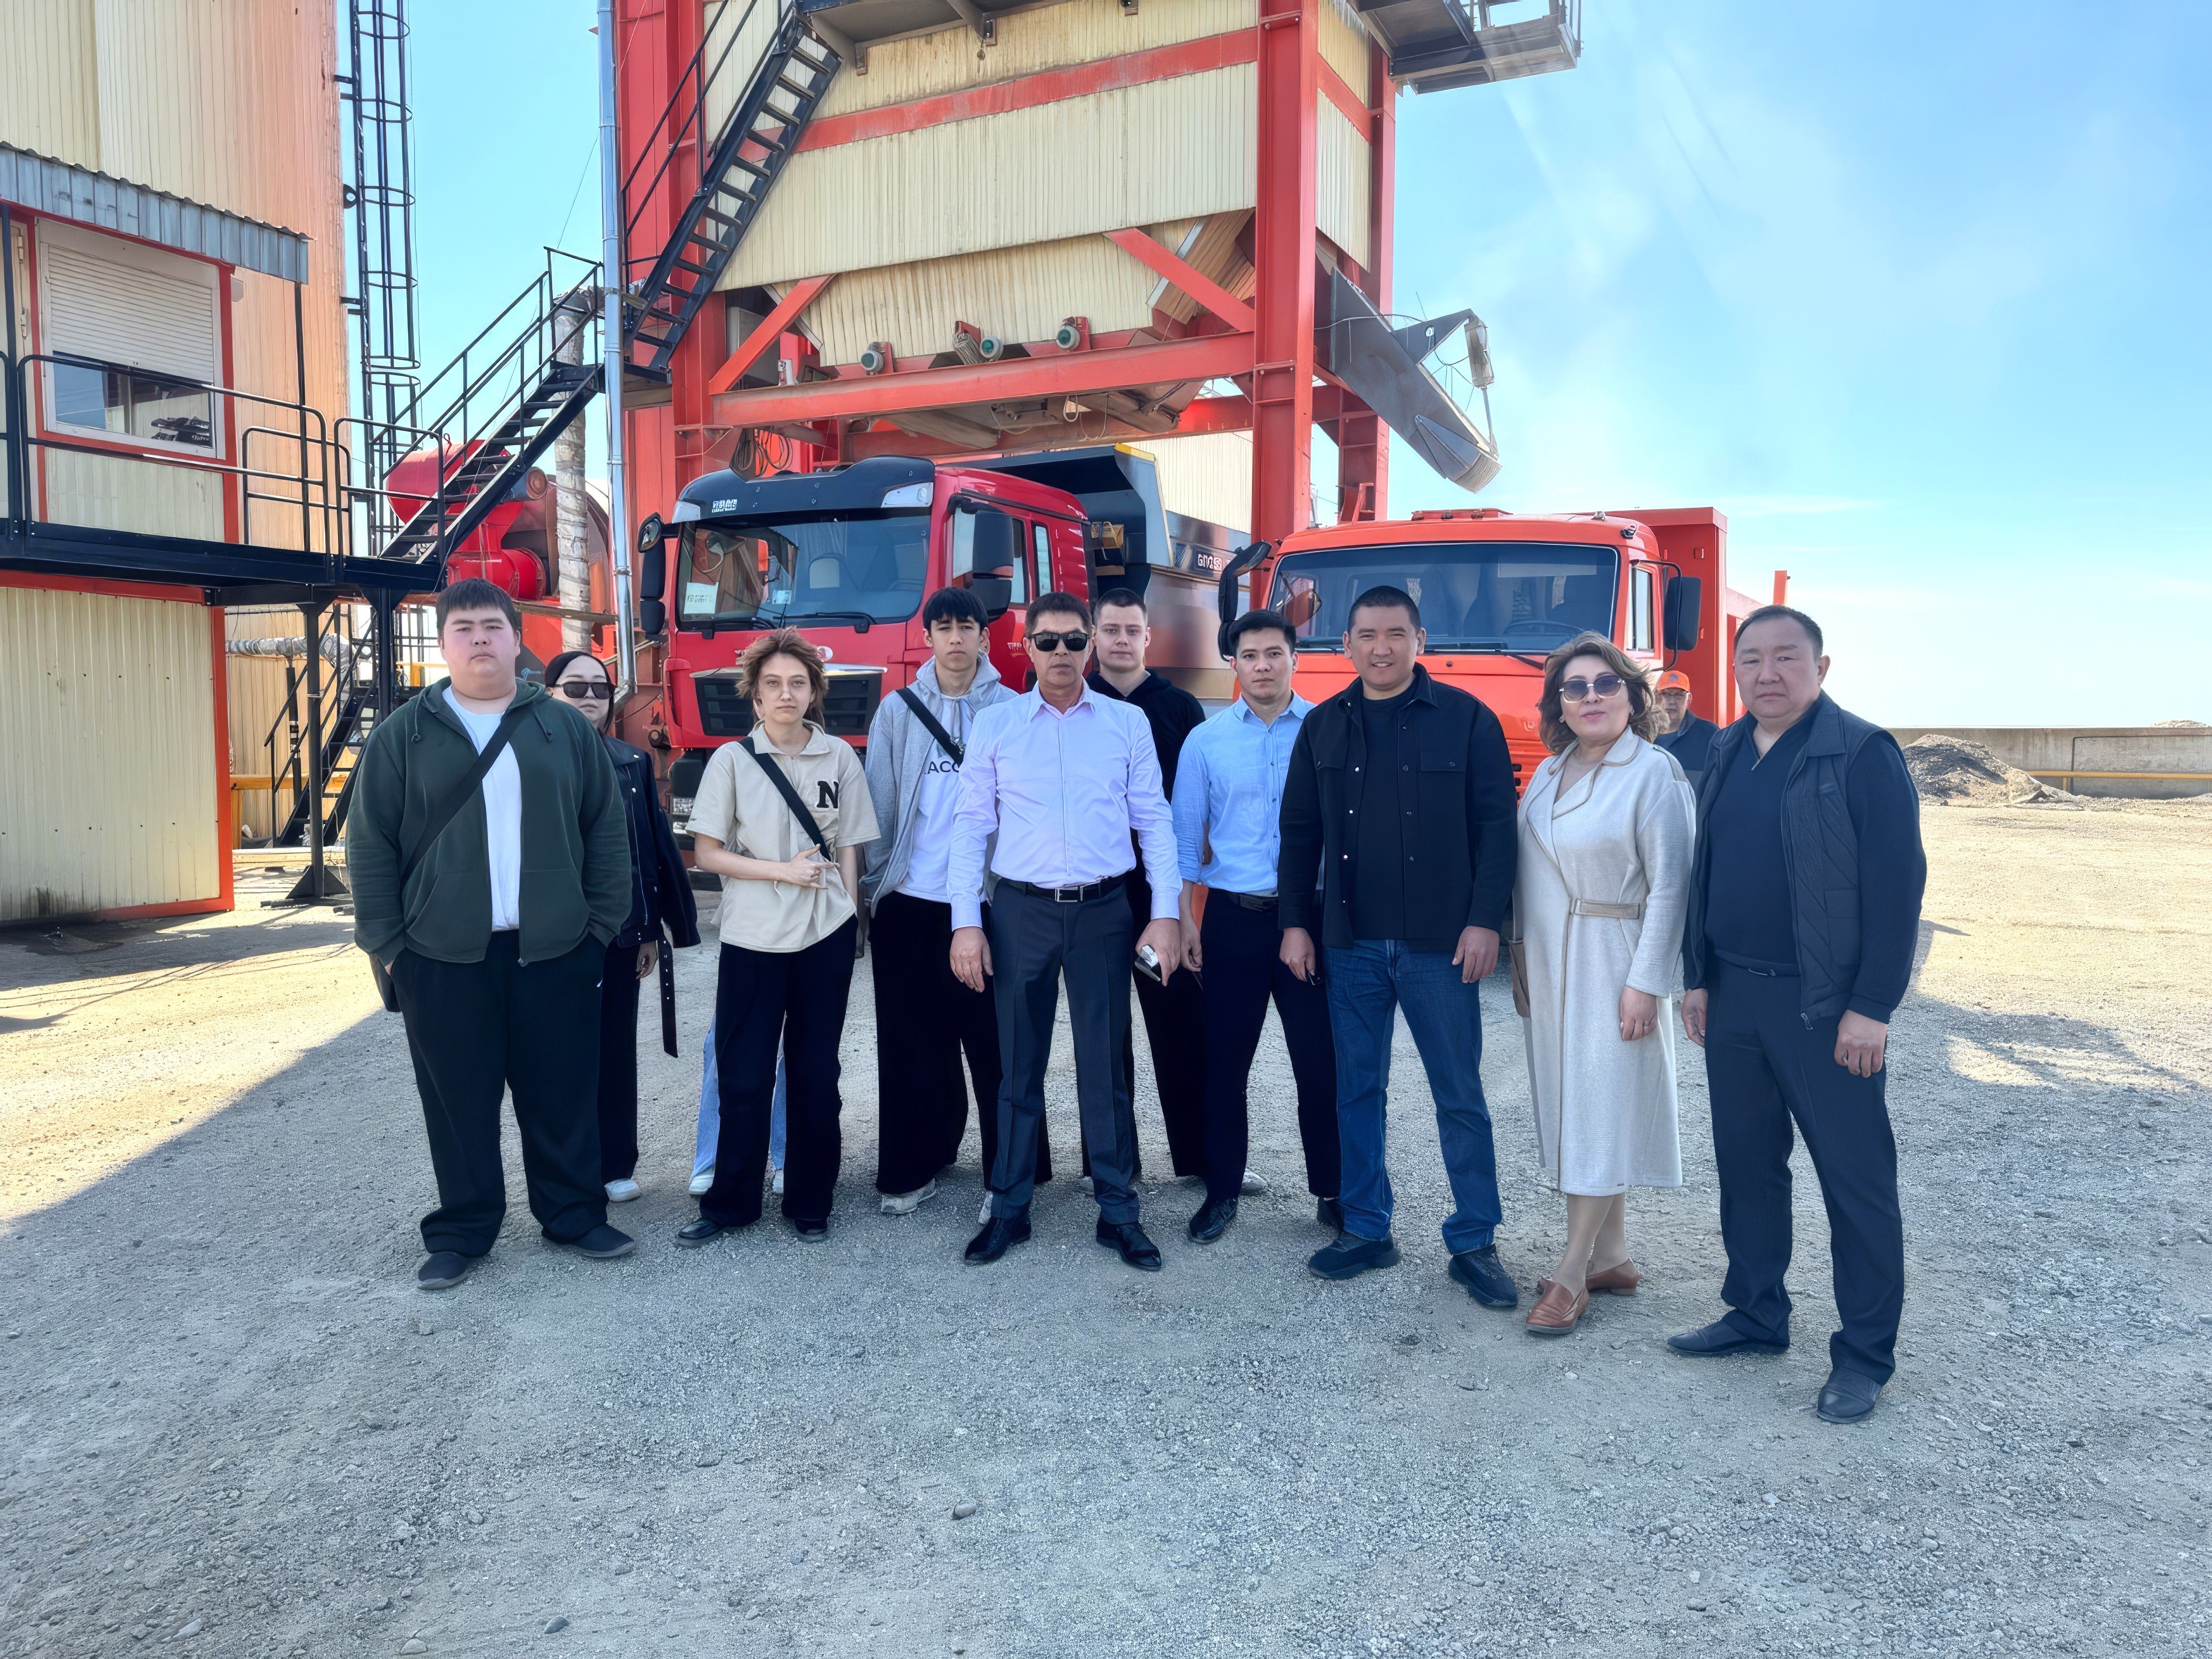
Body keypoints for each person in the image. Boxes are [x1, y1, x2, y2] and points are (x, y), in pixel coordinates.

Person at [1671, 605, 1927, 1425]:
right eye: (1751, 659)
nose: (1767, 673)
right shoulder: (1725, 748)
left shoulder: (1861, 753)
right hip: (1733, 996)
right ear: (1734, 670)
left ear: (1821, 667)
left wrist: (1871, 1006)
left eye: (1786, 657)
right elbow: (1705, 871)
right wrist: (1698, 975)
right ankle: (1755, 1311)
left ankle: (1863, 1357)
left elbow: (1897, 889)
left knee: (1854, 1182)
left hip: (1823, 1007)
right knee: (1747, 1166)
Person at [348, 578, 636, 1289]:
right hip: (440, 954)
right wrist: (390, 946)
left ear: (516, 640)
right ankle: (463, 1228)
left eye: (492, 626)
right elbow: (370, 844)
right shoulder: (403, 735)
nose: (479, 638)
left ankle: (573, 1213)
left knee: (562, 1092)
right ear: (443, 644)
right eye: (463, 628)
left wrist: (599, 929)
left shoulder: (563, 727)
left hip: (557, 949)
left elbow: (605, 830)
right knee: (457, 1101)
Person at [1277, 585, 1520, 1305]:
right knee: (1356, 1089)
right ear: (1346, 645)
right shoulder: (1322, 725)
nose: (1380, 647)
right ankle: (1365, 1227)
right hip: (1350, 943)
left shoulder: (1468, 720)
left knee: (1459, 1094)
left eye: (1394, 634)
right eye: (1366, 635)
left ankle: (1473, 1241)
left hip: (1441, 948)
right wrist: (1295, 923)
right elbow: (1298, 834)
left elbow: (1496, 829)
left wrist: (1485, 921)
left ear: (1419, 641)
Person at [949, 592, 1184, 1271]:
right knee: (1017, 1065)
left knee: (1104, 1066)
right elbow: (970, 826)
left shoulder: (1126, 723)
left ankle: (1118, 1210)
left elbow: (1154, 819)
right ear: (1025, 646)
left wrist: (1164, 912)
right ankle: (1010, 1206)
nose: (1061, 652)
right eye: (1047, 640)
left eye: (1073, 640)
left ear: (1091, 646)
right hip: (1020, 911)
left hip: (1103, 912)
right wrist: (966, 923)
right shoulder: (996, 725)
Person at [1512, 634, 1695, 1335]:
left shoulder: (1654, 772)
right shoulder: (1550, 770)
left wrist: (1646, 982)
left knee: (1596, 1110)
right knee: (1578, 1104)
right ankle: (1611, 1255)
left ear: (1632, 695)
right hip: (1550, 960)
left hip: (1611, 958)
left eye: (1605, 683)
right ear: (1558, 703)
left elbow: (1672, 886)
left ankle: (1570, 1272)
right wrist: (1520, 954)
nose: (1590, 696)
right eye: (1574, 687)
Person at [675, 628, 877, 1245]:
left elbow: (851, 847)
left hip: (824, 934)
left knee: (816, 1072)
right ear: (756, 696)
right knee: (744, 1071)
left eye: (797, 683)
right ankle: (730, 1204)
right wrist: (780, 871)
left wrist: (850, 916)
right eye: (772, 684)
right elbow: (707, 853)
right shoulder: (732, 760)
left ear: (813, 692)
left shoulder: (840, 757)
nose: (786, 693)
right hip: (753, 935)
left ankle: (811, 1201)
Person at [861, 586, 1049, 1216]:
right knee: (911, 1042)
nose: (956, 638)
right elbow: (879, 803)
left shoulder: (1014, 708)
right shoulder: (898, 710)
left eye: (966, 626)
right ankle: (915, 1164)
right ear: (929, 638)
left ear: (985, 637)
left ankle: (1011, 1170)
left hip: (991, 901)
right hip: (912, 899)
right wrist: (877, 885)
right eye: (943, 627)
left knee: (997, 1040)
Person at [1171, 608, 1342, 1244]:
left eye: (1274, 653)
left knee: (1320, 1065)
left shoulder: (1328, 729)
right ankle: (1221, 1190)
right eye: (1249, 655)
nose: (1262, 665)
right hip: (1233, 920)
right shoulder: (1206, 741)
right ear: (1234, 664)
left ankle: (1333, 1191)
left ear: (1295, 657)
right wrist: (1185, 919)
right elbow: (1184, 837)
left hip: (1311, 921)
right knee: (1224, 1063)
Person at [543, 650, 701, 1204]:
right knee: (559, 1055)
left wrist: (653, 928)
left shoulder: (631, 761)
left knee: (614, 1048)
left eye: (600, 687)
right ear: (549, 693)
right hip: (550, 936)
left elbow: (650, 849)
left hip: (617, 934)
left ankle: (614, 1163)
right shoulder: (528, 760)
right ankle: (569, 1171)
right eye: (575, 686)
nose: (590, 696)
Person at [1087, 587, 1211, 1185]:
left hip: (1162, 889)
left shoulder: (1179, 707)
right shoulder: (1076, 701)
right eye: (1110, 629)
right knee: (1104, 1033)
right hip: (1097, 891)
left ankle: (1202, 1158)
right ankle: (1113, 1163)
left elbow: (1195, 802)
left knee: (1180, 1024)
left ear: (1147, 637)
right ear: (1094, 636)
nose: (1121, 640)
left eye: (1131, 630)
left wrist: (1185, 902)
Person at [1652, 669, 1719, 787]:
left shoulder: (1709, 734)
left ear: (1689, 699)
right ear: (1655, 697)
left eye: (1679, 696)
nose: (1672, 701)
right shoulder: (1642, 734)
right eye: (1666, 694)